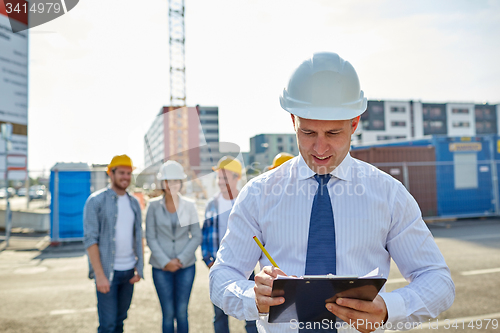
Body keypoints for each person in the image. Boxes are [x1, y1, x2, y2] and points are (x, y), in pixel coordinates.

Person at [209, 52, 455, 333]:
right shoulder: (258, 194)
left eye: (334, 134)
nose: (320, 149)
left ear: (354, 124)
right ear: (293, 121)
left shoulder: (389, 195)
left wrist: (389, 308)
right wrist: (251, 297)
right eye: (309, 133)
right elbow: (222, 275)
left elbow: (437, 279)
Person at [83, 154, 144, 333]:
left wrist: (139, 268)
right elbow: (90, 240)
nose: (125, 177)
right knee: (107, 325)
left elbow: (139, 235)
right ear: (111, 173)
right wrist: (100, 275)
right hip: (107, 274)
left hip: (128, 272)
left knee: (120, 321)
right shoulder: (96, 201)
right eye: (121, 173)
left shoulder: (134, 203)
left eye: (128, 173)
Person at [202, 156, 258, 333]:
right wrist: (209, 260)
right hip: (221, 266)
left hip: (246, 267)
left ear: (236, 178)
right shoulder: (212, 204)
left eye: (224, 177)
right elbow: (205, 234)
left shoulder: (246, 202)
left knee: (251, 314)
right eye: (219, 177)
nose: (220, 181)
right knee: (219, 314)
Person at [145, 160, 202, 333]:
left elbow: (196, 235)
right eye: (168, 181)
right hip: (160, 267)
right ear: (162, 183)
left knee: (182, 312)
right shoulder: (153, 206)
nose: (172, 185)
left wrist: (181, 259)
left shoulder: (190, 205)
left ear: (181, 183)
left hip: (186, 266)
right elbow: (150, 237)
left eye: (176, 181)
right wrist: (165, 262)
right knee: (168, 313)